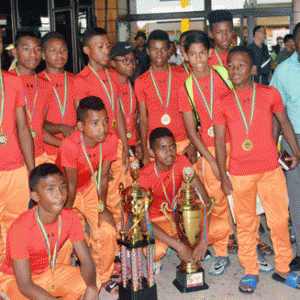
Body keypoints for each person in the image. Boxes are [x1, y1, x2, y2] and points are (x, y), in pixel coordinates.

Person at [214, 45, 300, 293]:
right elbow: (220, 142)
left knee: (279, 220)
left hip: (270, 170)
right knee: (245, 223)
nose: (234, 69)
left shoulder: (269, 93)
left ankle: (283, 267)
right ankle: (250, 269)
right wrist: (223, 176)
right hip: (240, 173)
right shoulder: (223, 101)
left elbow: (284, 122)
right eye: (230, 65)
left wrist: (296, 152)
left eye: (240, 65)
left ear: (252, 69)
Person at [0, 163, 99, 300]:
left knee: (88, 284)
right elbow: (25, 284)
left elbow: (87, 262)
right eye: (50, 189)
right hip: (15, 280)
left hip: (48, 272)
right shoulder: (20, 228)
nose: (59, 194)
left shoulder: (70, 217)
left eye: (62, 187)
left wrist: (92, 287)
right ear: (35, 196)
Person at [178, 30, 232, 276]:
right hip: (209, 147)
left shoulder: (223, 73)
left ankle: (249, 245)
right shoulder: (185, 88)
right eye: (193, 54)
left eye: (202, 53)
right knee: (218, 200)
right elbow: (191, 132)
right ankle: (221, 252)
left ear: (210, 53)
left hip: (235, 142)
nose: (199, 59)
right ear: (185, 56)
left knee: (243, 198)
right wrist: (210, 161)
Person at [74, 27, 129, 265]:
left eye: (108, 46)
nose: (107, 51)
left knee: (121, 194)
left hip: (116, 141)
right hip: (96, 147)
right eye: (100, 47)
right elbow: (82, 123)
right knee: (101, 197)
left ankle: (119, 243)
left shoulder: (114, 75)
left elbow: (119, 111)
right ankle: (103, 250)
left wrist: (126, 145)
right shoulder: (80, 80)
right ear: (87, 50)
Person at [56, 96, 119, 295]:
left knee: (107, 230)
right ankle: (63, 281)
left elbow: (102, 179)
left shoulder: (111, 140)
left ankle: (103, 277)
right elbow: (71, 185)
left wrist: (102, 208)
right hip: (65, 193)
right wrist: (64, 216)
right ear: (81, 126)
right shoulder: (69, 144)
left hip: (90, 189)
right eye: (95, 123)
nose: (102, 128)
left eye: (105, 122)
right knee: (64, 239)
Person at [138, 127, 210, 272]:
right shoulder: (144, 176)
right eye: (162, 148)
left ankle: (188, 242)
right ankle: (176, 243)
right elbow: (143, 222)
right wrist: (179, 246)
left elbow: (206, 201)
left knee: (221, 228)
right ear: (152, 152)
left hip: (181, 218)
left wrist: (203, 241)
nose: (169, 152)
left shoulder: (182, 161)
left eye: (172, 147)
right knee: (154, 251)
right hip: (157, 222)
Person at [135, 29, 196, 167]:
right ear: (148, 51)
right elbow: (143, 119)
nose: (159, 54)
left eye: (163, 49)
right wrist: (145, 149)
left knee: (186, 185)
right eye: (155, 49)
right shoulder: (141, 81)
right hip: (156, 146)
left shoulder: (182, 76)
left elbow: (193, 112)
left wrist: (193, 144)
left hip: (182, 142)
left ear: (169, 50)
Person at [0, 28, 35, 265]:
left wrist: (32, 170)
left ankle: (9, 277)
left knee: (15, 224)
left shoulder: (12, 81)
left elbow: (23, 128)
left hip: (14, 166)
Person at [270, 22, 300, 274]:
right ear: (294, 42)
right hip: (294, 140)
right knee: (297, 197)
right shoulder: (283, 70)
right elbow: (276, 113)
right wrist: (272, 145)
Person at [109, 41, 142, 230]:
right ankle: (118, 237)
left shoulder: (131, 83)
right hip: (117, 147)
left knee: (133, 192)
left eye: (132, 60)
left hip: (131, 146)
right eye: (124, 61)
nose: (130, 64)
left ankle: (132, 232)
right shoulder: (110, 84)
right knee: (116, 195)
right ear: (113, 63)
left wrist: (137, 142)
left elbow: (134, 116)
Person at [10, 29, 56, 166]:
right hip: (14, 159)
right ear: (15, 52)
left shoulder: (46, 86)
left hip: (39, 155)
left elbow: (39, 127)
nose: (33, 54)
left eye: (37, 49)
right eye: (26, 49)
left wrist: (66, 142)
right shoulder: (7, 82)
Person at [38, 31, 77, 163]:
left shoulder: (76, 80)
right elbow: (34, 124)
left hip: (75, 152)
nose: (59, 54)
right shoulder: (37, 82)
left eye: (63, 50)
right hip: (46, 153)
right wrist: (61, 128)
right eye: (53, 50)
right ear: (43, 55)